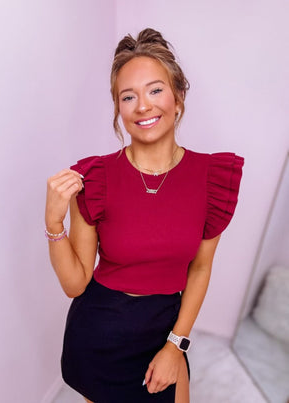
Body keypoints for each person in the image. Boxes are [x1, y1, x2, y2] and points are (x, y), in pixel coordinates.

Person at [45, 28, 244, 403]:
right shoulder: (96, 177)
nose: (142, 106)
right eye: (128, 96)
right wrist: (54, 224)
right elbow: (75, 284)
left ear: (179, 97)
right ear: (118, 109)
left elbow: (200, 269)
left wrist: (176, 345)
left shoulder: (212, 178)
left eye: (155, 90)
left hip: (163, 329)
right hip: (98, 334)